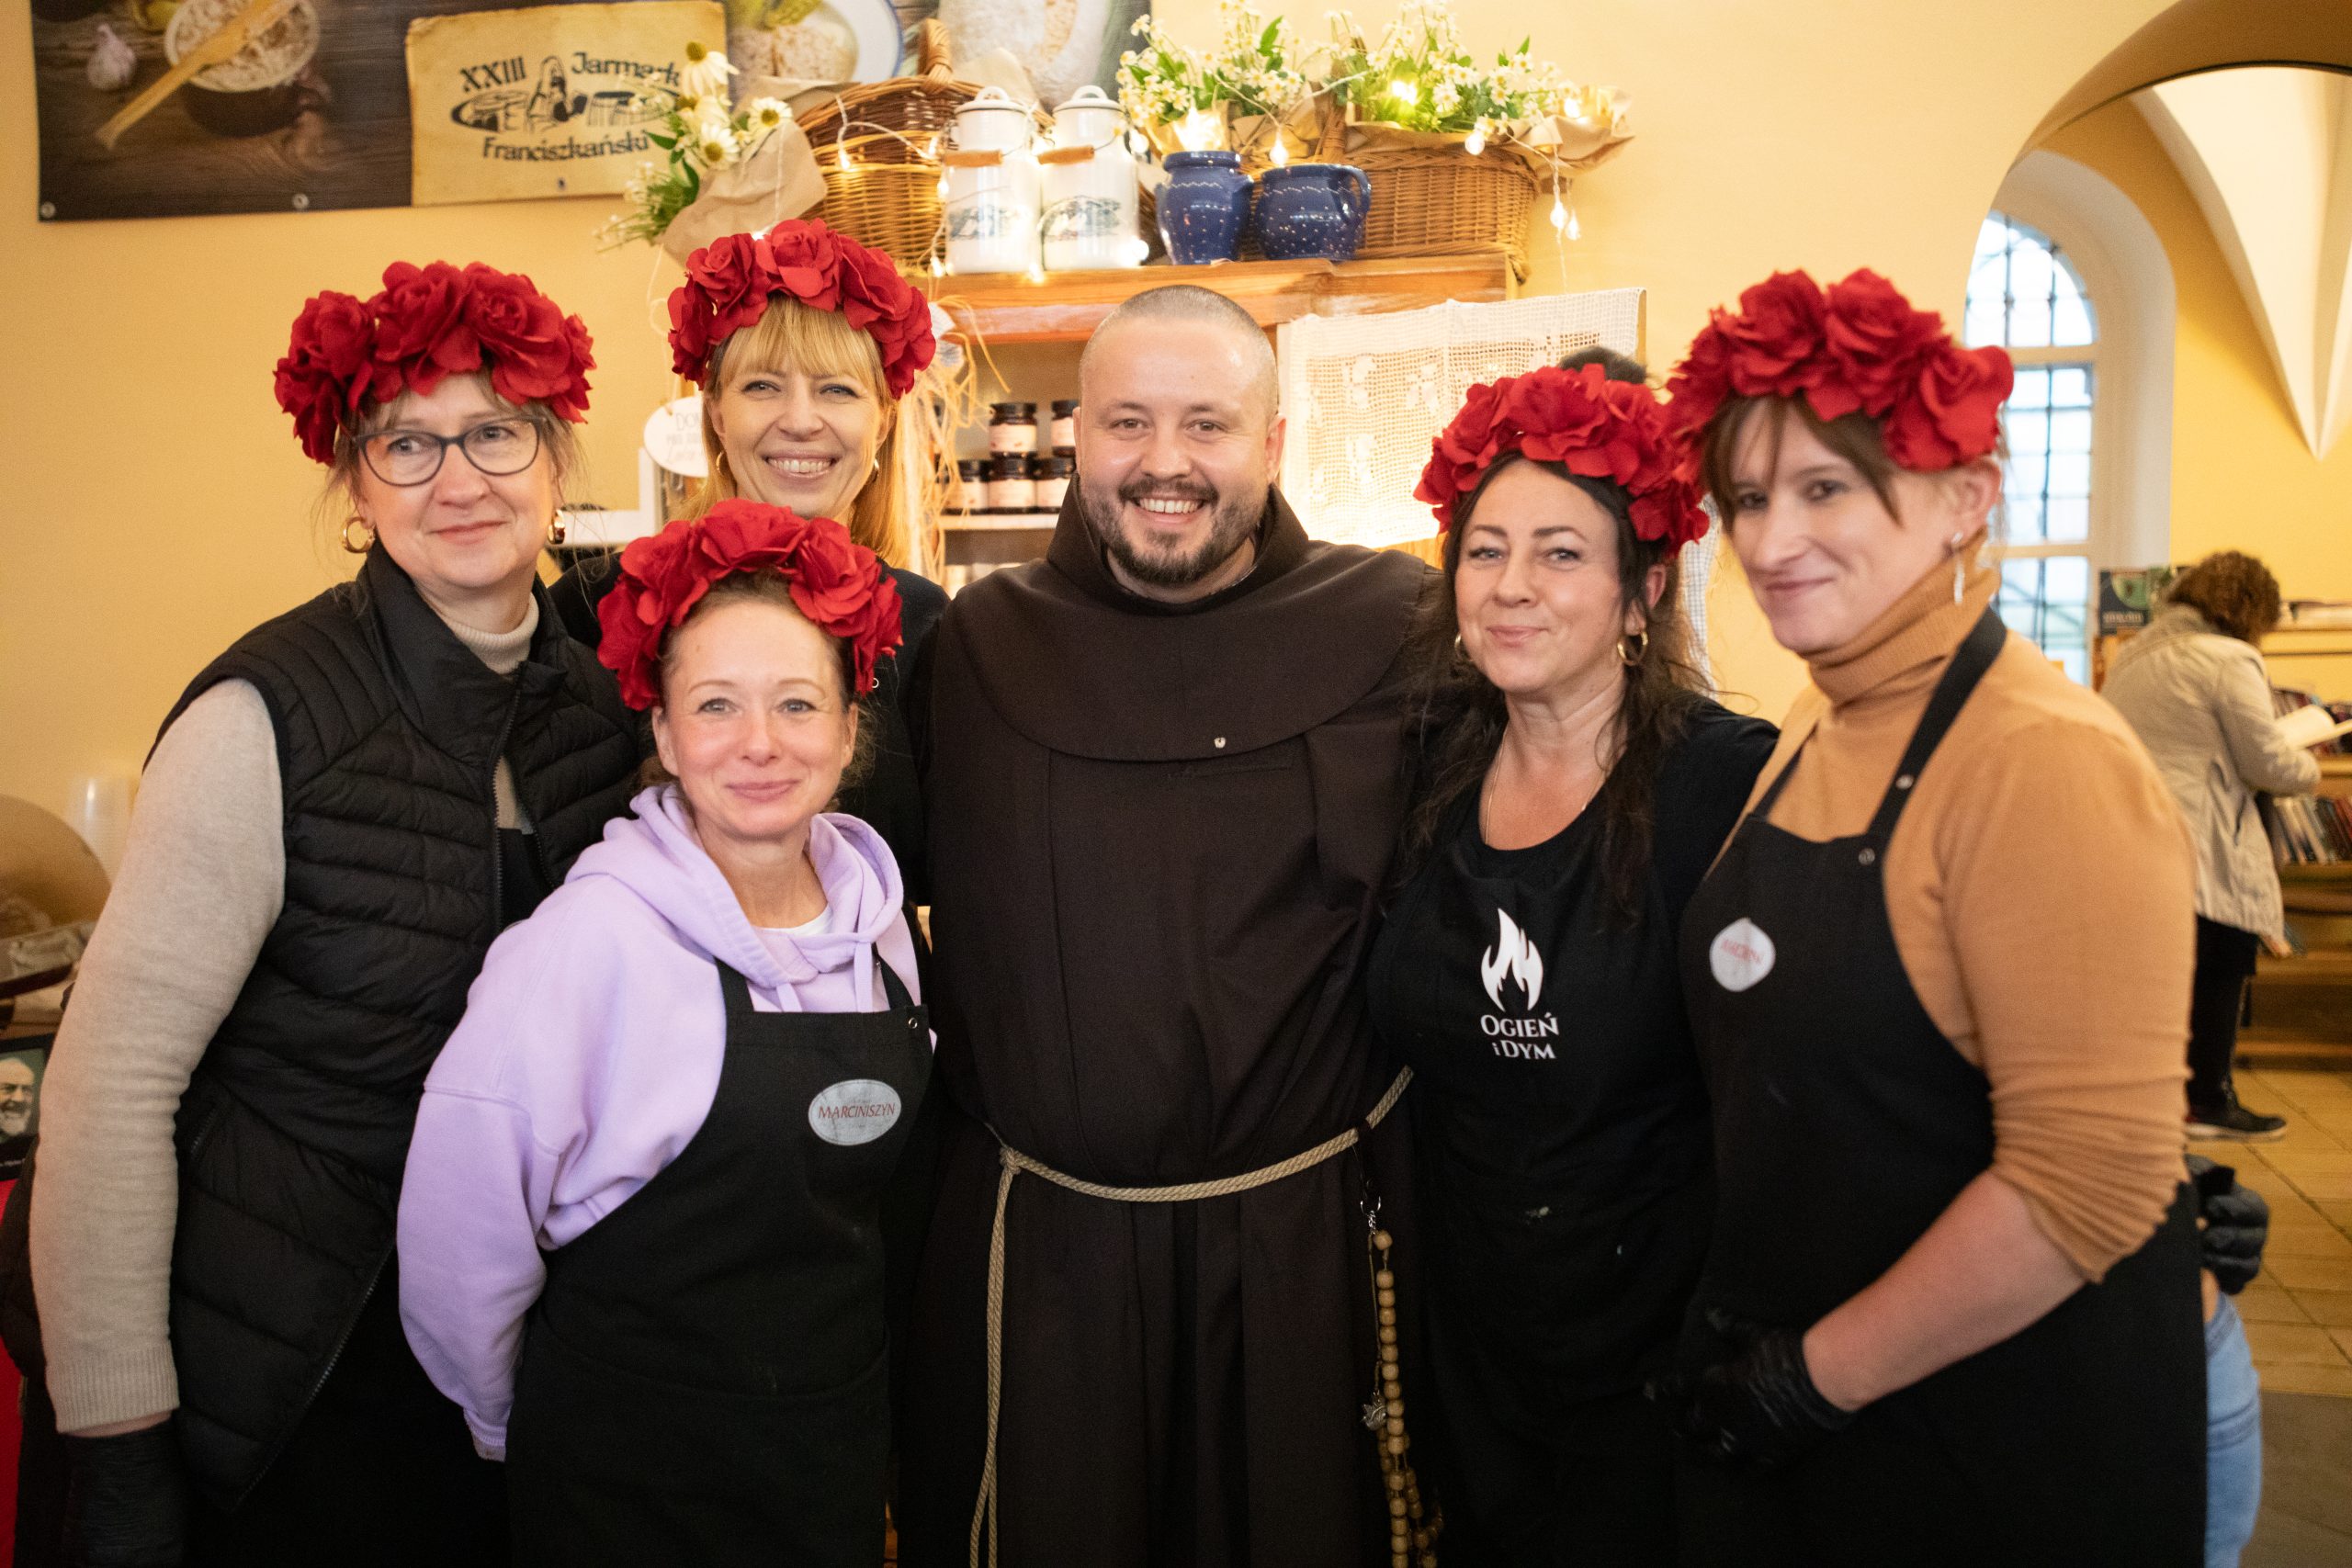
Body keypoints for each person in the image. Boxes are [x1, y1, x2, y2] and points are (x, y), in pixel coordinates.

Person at [19, 262, 639, 1564]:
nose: (457, 479)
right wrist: (118, 1443)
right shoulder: (264, 717)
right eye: (406, 443)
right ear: (354, 490)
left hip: (510, 1351)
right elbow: (108, 1088)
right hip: (293, 1364)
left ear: (554, 456)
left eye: (494, 430)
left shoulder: (603, 705)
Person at [1652, 269, 2206, 1565]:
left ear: (1966, 497)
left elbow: (2090, 1182)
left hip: (1997, 1438)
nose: (1771, 538)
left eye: (1826, 487)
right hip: (1824, 1426)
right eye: (1746, 496)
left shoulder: (2044, 756)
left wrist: (1812, 1375)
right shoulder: (1816, 719)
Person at [894, 284, 1435, 1568]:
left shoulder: (1402, 628)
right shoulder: (975, 648)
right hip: (1048, 1267)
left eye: (1208, 424)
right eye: (1127, 422)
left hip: (1304, 1257)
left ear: (1275, 443)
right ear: (1079, 436)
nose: (1166, 463)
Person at [398, 502, 926, 1567]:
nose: (761, 745)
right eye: (716, 705)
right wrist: (510, 1424)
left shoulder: (880, 931)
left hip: (824, 1459)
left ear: (848, 727)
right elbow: (459, 1241)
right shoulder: (588, 945)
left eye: (797, 704)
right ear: (663, 731)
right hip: (626, 1478)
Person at [1366, 355, 1775, 1564]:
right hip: (1477, 1346)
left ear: (1643, 591)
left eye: (1558, 553)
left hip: (1657, 1367)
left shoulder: (1723, 784)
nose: (1510, 587)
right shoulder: (1431, 771)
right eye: (1484, 550)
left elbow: (1805, 1079)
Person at [551, 220, 946, 891]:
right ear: (714, 414)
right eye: (762, 386)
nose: (799, 419)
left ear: (881, 418)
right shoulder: (598, 605)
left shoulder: (924, 621)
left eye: (838, 389)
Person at [2103, 550, 2322, 1140]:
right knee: (2223, 963)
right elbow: (2265, 759)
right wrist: (2309, 764)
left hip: (2134, 830)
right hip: (2203, 835)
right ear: (2254, 610)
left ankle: (2155, 1100)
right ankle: (2208, 1100)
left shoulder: (2135, 656)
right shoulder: (2229, 659)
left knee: (2161, 975)